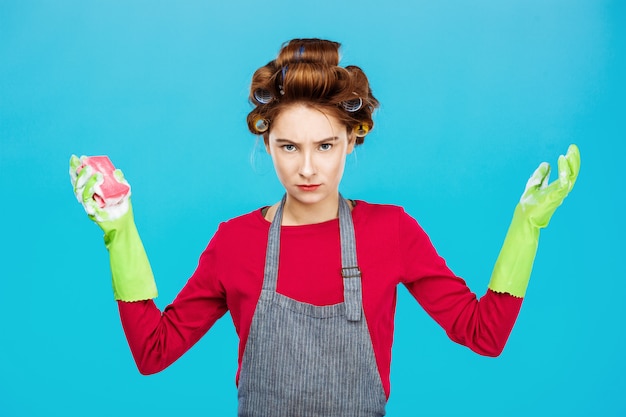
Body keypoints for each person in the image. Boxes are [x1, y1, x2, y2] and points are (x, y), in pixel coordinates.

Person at [69, 38, 580, 417]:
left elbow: (483, 333)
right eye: (289, 147)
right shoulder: (236, 242)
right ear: (267, 143)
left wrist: (526, 227)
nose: (307, 168)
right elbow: (153, 352)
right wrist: (120, 230)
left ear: (353, 140)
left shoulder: (391, 231)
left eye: (325, 146)